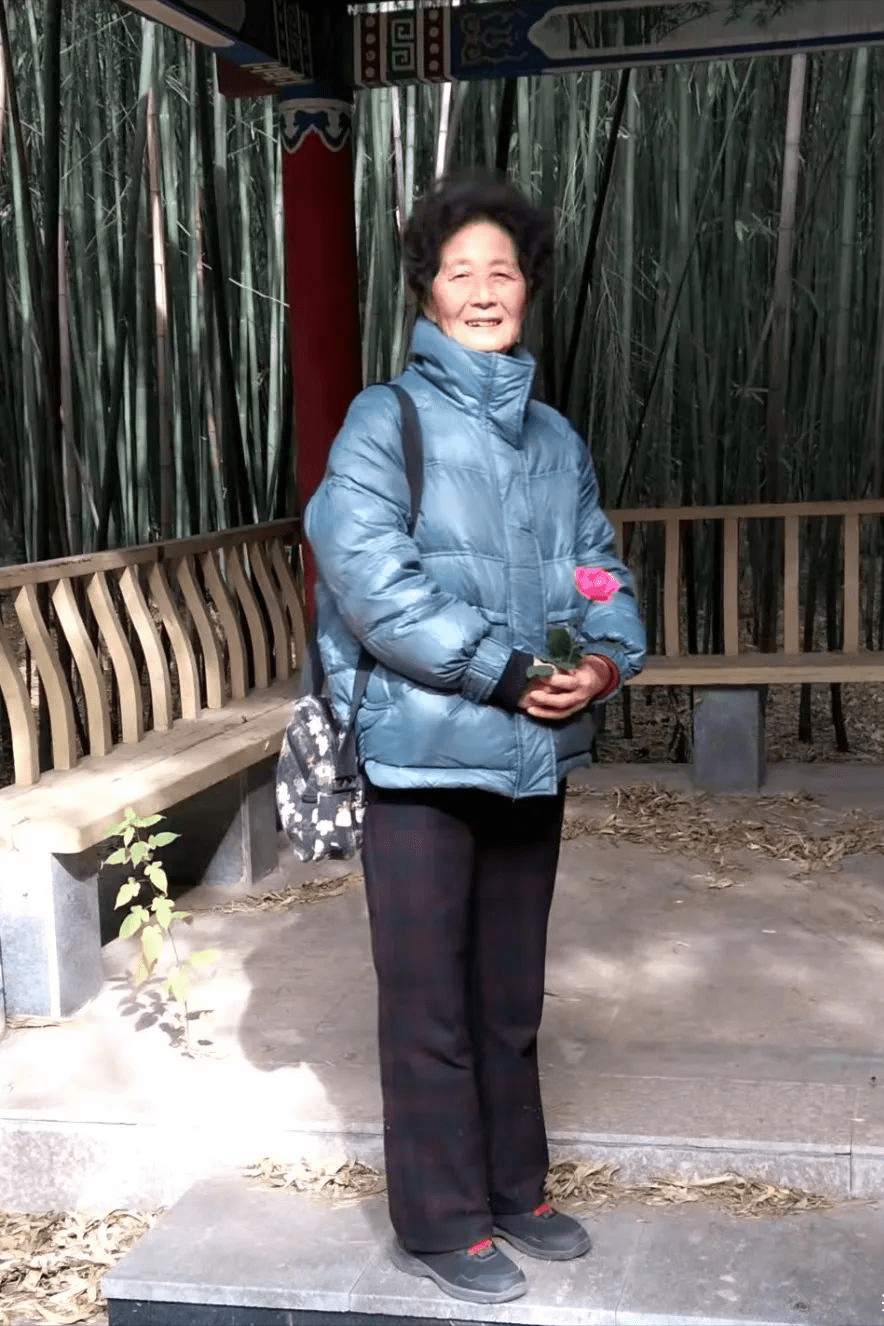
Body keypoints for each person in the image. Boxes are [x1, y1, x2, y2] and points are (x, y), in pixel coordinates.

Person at [303, 169, 647, 1306]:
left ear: (529, 288)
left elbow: (596, 566)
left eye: (504, 271)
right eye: (463, 274)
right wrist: (505, 672)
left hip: (530, 757)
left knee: (508, 995)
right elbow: (373, 582)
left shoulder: (554, 438)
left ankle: (513, 1188)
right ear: (428, 294)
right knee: (429, 1003)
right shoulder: (384, 421)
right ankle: (441, 1217)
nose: (486, 291)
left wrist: (605, 657)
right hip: (418, 759)